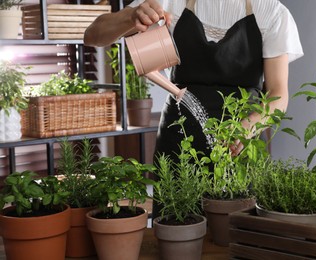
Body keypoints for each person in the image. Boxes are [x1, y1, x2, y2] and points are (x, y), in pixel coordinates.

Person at [85, 0, 303, 203]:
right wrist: (131, 16)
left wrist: (249, 126)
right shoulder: (172, 2)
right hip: (177, 142)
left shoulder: (271, 12)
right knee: (176, 228)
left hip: (240, 145)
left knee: (239, 232)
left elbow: (278, 95)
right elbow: (93, 35)